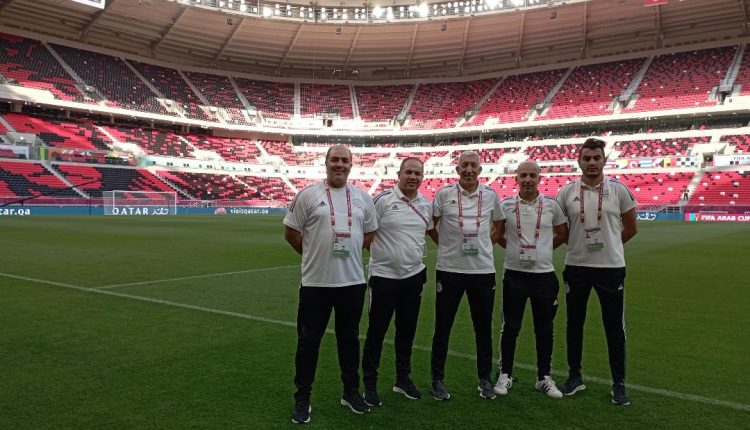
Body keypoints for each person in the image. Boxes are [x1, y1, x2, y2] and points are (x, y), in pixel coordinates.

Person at [283, 145, 378, 424]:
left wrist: (348, 255)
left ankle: (350, 392)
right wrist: (314, 255)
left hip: (352, 282)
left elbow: (369, 234)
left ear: (351, 165)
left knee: (349, 341)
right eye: (334, 159)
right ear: (325, 163)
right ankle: (302, 398)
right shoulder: (309, 195)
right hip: (316, 283)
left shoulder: (362, 198)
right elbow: (291, 233)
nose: (340, 164)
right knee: (308, 343)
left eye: (344, 160)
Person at [555, 138, 638, 406]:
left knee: (614, 328)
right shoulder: (566, 192)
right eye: (587, 158)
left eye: (596, 158)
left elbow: (631, 228)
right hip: (576, 267)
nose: (591, 163)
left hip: (610, 269)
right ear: (579, 161)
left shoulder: (619, 191)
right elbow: (562, 232)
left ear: (604, 160)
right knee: (574, 325)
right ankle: (574, 377)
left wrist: (610, 246)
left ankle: (619, 384)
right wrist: (582, 248)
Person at [429, 150, 504, 401]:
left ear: (480, 170)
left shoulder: (491, 196)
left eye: (473, 165)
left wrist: (485, 244)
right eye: (464, 166)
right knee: (443, 327)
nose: (469, 170)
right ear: (457, 169)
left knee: (483, 328)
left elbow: (500, 226)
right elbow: (431, 225)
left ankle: (485, 379)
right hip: (449, 270)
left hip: (482, 272)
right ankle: (437, 379)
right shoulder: (444, 194)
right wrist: (446, 245)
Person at [361, 157, 434, 406]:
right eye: (409, 172)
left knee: (406, 332)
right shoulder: (382, 201)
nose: (413, 177)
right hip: (384, 279)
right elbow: (366, 236)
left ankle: (403, 379)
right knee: (376, 333)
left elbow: (425, 235)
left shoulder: (426, 205)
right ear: (399, 174)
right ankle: (369, 385)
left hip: (413, 278)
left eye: (418, 173)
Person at [493, 161, 568, 399]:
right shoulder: (505, 205)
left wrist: (542, 251)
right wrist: (515, 251)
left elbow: (562, 234)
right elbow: (498, 235)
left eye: (532, 176)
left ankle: (544, 377)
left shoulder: (551, 205)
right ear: (516, 178)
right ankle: (505, 374)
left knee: (544, 329)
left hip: (544, 276)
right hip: (514, 274)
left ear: (539, 178)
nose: (527, 179)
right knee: (511, 327)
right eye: (523, 175)